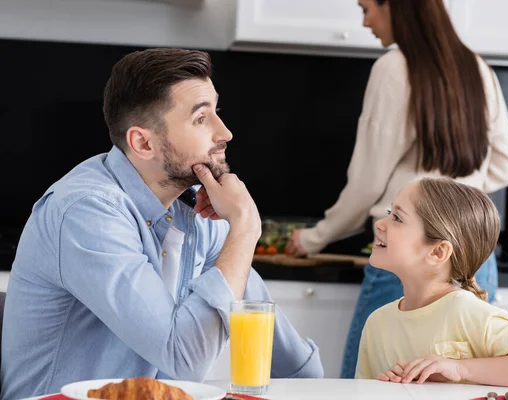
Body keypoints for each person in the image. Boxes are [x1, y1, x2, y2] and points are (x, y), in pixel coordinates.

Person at [0, 48, 323, 400]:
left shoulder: (199, 210)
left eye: (218, 111)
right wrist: (245, 229)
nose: (225, 132)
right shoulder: (87, 212)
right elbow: (185, 358)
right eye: (201, 119)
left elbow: (293, 362)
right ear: (143, 143)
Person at [285, 0, 508, 378]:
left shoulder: (394, 67)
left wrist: (314, 237)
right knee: (472, 382)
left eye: (366, 8)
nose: (364, 21)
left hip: (410, 256)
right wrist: (452, 201)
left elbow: (367, 180)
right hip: (475, 252)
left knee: (369, 387)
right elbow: (502, 166)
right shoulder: (479, 68)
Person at [356, 178, 508, 386]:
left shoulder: (467, 312)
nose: (379, 224)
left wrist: (460, 368)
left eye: (397, 218)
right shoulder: (377, 323)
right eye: (388, 213)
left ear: (438, 252)